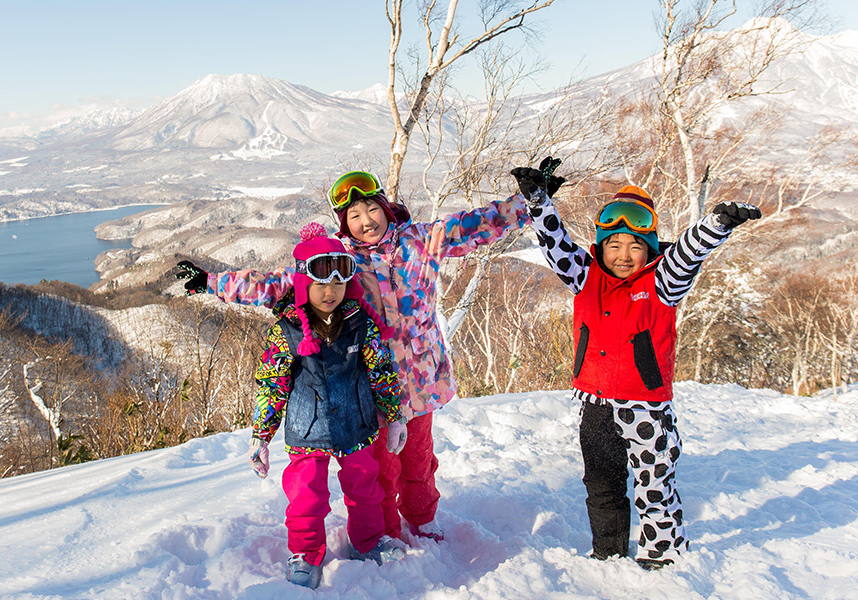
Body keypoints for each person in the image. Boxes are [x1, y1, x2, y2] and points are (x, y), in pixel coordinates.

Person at [178, 169, 539, 543]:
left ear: (385, 207)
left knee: (418, 461)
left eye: (371, 209)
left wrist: (529, 203)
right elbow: (280, 285)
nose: (366, 221)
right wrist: (210, 281)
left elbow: (475, 225)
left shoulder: (421, 241)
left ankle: (423, 517)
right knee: (381, 470)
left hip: (421, 381)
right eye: (354, 216)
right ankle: (383, 535)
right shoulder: (341, 259)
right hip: (372, 386)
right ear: (344, 224)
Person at [511, 162, 761, 570]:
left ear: (649, 249)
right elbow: (554, 243)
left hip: (645, 406)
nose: (624, 255)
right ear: (601, 247)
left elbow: (688, 251)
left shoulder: (662, 282)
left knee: (654, 485)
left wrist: (716, 223)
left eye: (634, 246)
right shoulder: (585, 275)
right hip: (594, 404)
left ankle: (661, 559)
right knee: (602, 484)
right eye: (614, 245)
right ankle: (607, 552)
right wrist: (538, 201)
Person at [247, 222, 409, 589]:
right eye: (321, 283)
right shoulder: (287, 329)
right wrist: (261, 435)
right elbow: (272, 385)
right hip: (308, 429)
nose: (330, 292)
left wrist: (394, 416)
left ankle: (367, 541)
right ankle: (305, 552)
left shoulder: (359, 323)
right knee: (305, 495)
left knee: (365, 489)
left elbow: (380, 370)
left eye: (338, 283)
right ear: (305, 283)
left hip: (356, 423)